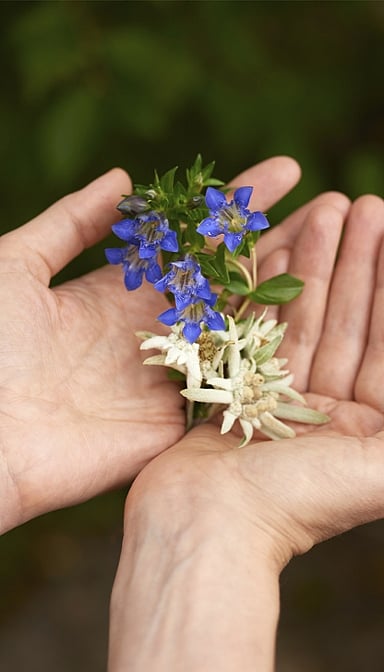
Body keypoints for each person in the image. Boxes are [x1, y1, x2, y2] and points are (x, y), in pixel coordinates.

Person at [1, 157, 383, 670]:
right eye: (151, 231)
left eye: (232, 220)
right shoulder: (183, 268)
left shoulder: (215, 258)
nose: (228, 225)